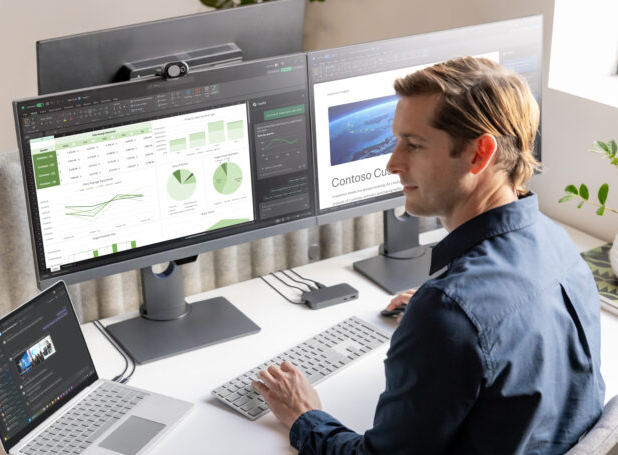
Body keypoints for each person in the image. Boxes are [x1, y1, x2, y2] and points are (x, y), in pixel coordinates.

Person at [252, 57, 605, 454]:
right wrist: (447, 328)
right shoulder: (557, 241)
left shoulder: (449, 312)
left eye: (414, 145)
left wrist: (304, 416)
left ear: (479, 154)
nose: (392, 163)